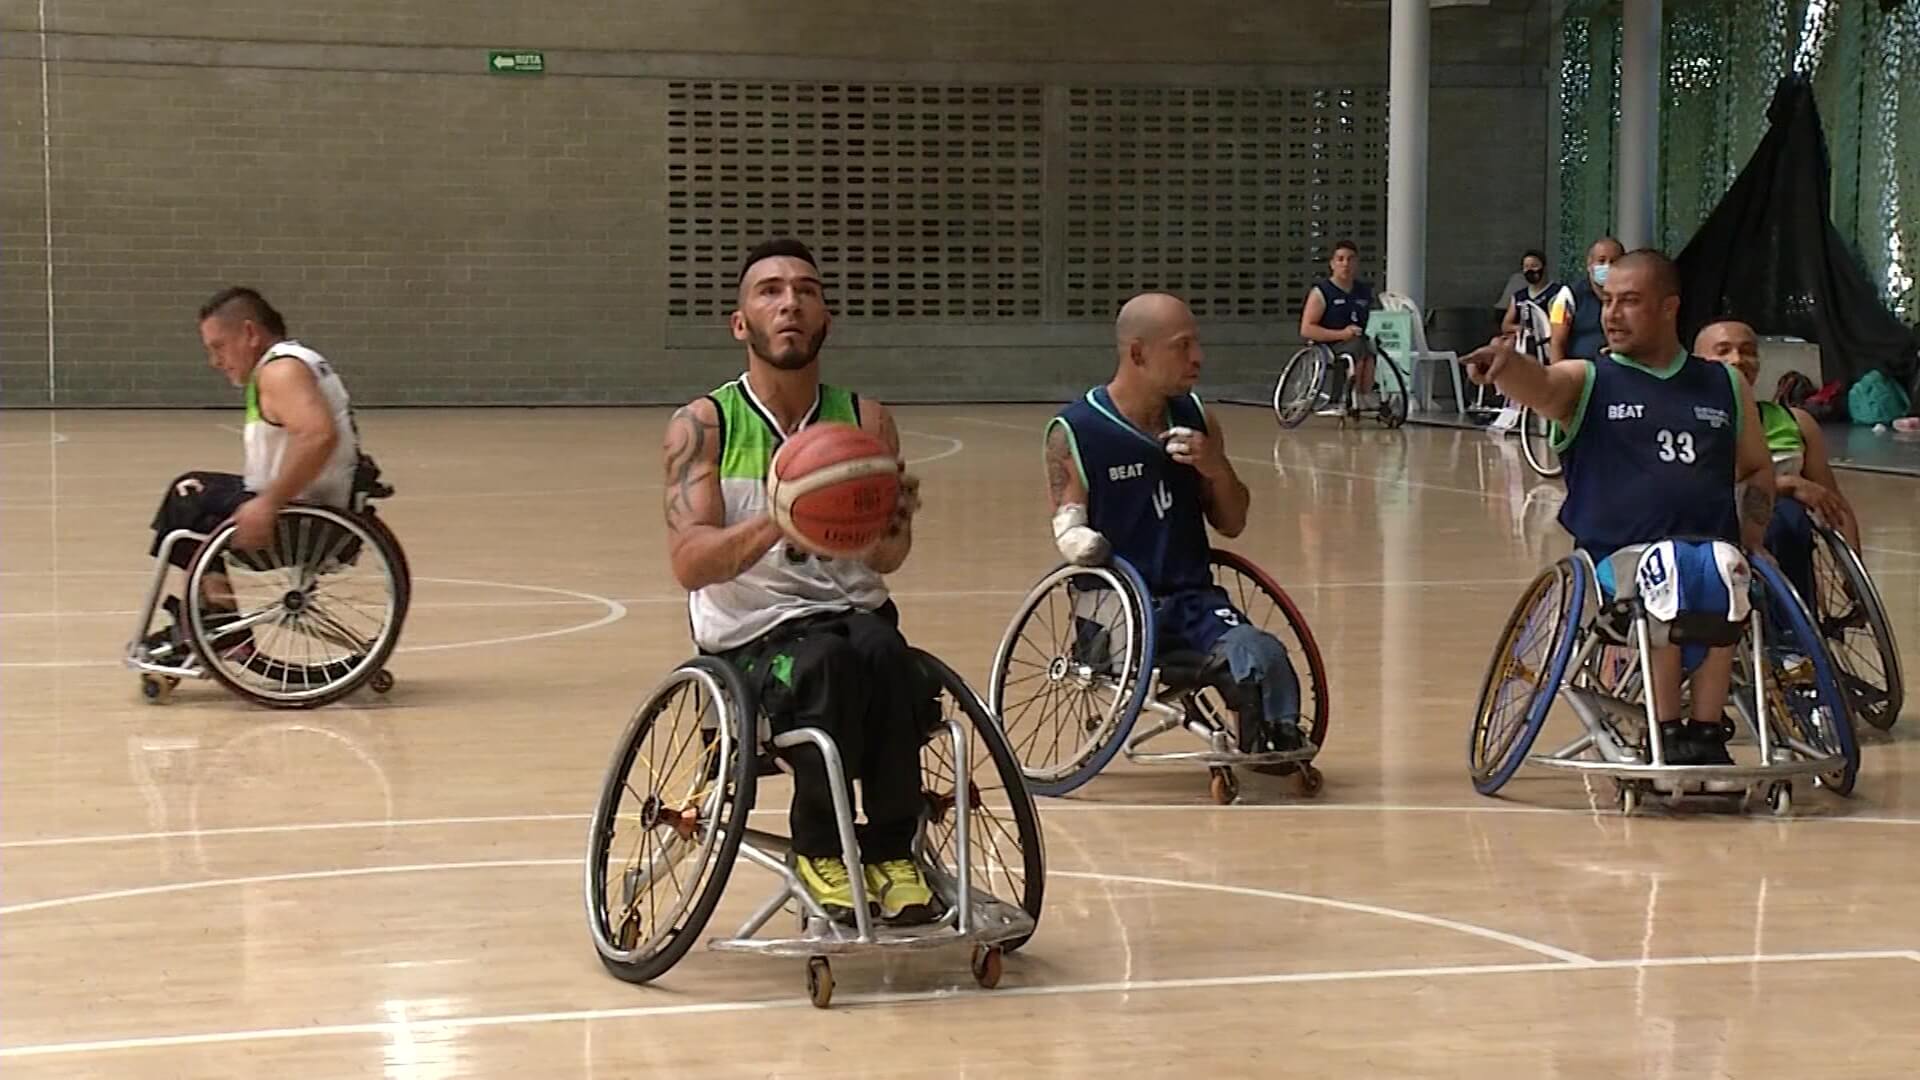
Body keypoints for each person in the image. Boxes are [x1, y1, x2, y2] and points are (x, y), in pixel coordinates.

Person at [664, 238, 935, 926]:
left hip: (857, 616)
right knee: (828, 664)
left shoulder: (866, 420)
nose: (790, 302)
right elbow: (689, 563)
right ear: (740, 322)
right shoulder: (704, 424)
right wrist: (781, 521)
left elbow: (886, 560)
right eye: (771, 291)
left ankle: (891, 849)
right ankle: (821, 847)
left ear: (825, 320)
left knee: (886, 659)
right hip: (753, 640)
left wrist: (892, 526)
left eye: (807, 291)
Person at [1465, 250, 1776, 766]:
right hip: (1621, 564)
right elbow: (1542, 387)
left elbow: (1757, 470)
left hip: (1710, 550)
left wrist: (1755, 534)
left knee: (1729, 572)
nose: (1611, 314)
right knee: (1669, 573)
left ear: (1669, 307)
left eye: (1629, 302)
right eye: (1608, 301)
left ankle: (1705, 733)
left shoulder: (1724, 385)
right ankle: (1666, 730)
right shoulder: (1589, 379)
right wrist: (1508, 367)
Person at [1043, 292, 1308, 758]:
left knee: (1258, 652)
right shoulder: (1076, 431)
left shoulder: (1198, 418)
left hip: (1194, 601)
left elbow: (1233, 523)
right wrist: (1080, 541)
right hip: (1119, 608)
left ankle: (1272, 738)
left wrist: (1216, 468)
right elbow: (1069, 526)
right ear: (1138, 353)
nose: (1198, 358)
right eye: (1183, 346)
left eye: (1196, 344)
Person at [145, 288, 362, 646]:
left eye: (219, 346)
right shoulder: (294, 362)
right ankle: (214, 619)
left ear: (249, 333)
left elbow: (318, 436)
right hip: (312, 508)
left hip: (304, 520)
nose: (215, 361)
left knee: (187, 495)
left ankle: (217, 622)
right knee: (193, 497)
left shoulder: (281, 372)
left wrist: (268, 502)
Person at [1696, 319, 1860, 605]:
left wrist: (1853, 575)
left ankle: (1791, 631)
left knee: (1788, 517)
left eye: (1747, 351)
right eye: (1723, 350)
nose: (1737, 360)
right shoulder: (1689, 420)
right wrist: (1786, 484)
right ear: (1697, 363)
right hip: (1713, 535)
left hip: (1784, 538)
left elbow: (1834, 504)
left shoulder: (1796, 422)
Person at [1298, 240, 1378, 413]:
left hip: (1356, 340)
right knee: (1359, 348)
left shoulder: (1363, 291)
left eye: (1350, 259)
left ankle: (1366, 393)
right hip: (1329, 342)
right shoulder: (1322, 292)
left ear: (1356, 263)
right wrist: (1341, 334)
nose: (1345, 264)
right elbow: (1306, 329)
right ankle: (1353, 394)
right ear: (1332, 264)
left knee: (1368, 348)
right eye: (1340, 259)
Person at [1547, 237, 1625, 363]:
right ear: (1590, 264)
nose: (1607, 266)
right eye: (1601, 261)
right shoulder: (1566, 296)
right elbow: (1556, 343)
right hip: (1579, 372)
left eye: (1614, 262)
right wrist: (1557, 377)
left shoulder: (1630, 297)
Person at [1502, 249, 1572, 350]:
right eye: (1526, 267)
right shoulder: (1519, 296)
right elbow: (1506, 325)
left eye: (1534, 266)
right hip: (1524, 343)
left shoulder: (1557, 292)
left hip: (1548, 343)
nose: (1530, 270)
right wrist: (1521, 329)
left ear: (1544, 267)